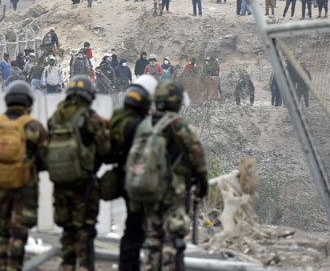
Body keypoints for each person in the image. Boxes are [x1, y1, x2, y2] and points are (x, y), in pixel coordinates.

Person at [141, 81, 209, 271]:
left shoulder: (146, 124)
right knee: (173, 236)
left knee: (152, 238)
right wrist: (202, 183)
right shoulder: (179, 125)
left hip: (148, 188)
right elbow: (197, 154)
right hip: (174, 189)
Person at [47, 76, 110, 271]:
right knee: (84, 227)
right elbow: (105, 149)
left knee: (67, 228)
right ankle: (84, 266)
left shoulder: (56, 117)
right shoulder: (90, 117)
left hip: (60, 182)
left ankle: (67, 265)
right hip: (83, 183)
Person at [0, 81, 47, 271]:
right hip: (24, 186)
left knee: (3, 233)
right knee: (18, 233)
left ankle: (3, 267)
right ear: (28, 102)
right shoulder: (33, 126)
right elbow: (46, 158)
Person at [104, 75, 158, 271]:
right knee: (138, 228)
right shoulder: (140, 126)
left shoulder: (118, 118)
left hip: (122, 176)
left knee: (132, 227)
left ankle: (127, 265)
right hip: (138, 180)